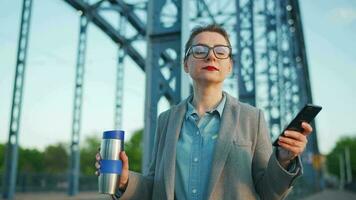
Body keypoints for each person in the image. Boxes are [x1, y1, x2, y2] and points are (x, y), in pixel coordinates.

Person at [95, 24, 313, 200]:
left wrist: (283, 160)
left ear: (229, 66)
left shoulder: (252, 118)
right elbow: (156, 187)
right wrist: (124, 181)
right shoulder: (166, 120)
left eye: (221, 51)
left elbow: (268, 192)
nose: (211, 57)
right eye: (199, 51)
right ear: (185, 65)